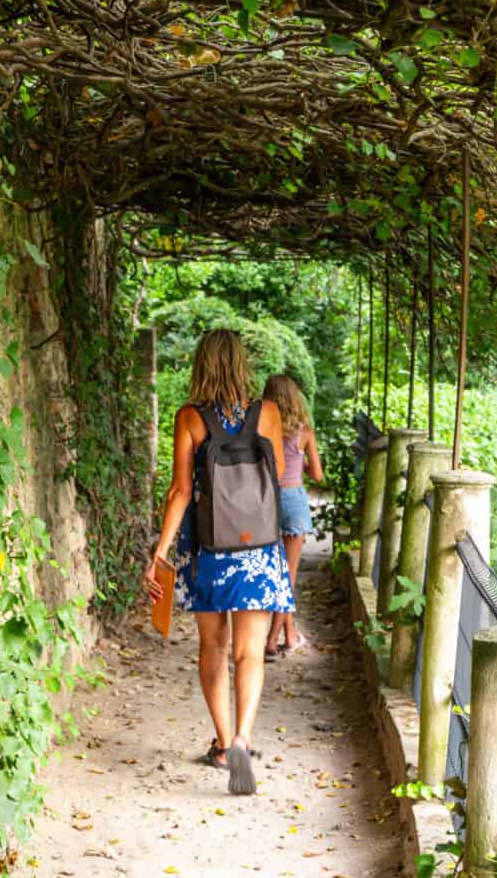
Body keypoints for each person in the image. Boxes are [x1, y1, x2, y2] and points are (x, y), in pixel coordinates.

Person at [143, 329, 294, 795]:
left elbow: (181, 491)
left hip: (210, 550)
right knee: (250, 652)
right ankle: (246, 738)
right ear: (241, 364)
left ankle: (225, 744)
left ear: (201, 365)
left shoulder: (189, 417)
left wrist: (161, 552)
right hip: (260, 550)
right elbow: (281, 476)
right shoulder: (267, 413)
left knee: (214, 647)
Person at [261, 374, 323, 661]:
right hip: (294, 500)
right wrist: (304, 463)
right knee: (289, 575)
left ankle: (289, 634)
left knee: (276, 572)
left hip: (267, 500)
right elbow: (318, 475)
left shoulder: (261, 429)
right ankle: (273, 641)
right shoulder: (305, 432)